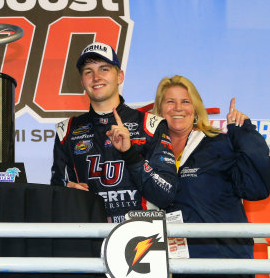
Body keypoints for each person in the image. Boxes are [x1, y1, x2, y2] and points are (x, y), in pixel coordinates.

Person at [152, 75, 270, 278]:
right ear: (160, 109)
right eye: (170, 101)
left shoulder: (219, 143)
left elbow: (258, 185)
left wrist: (244, 131)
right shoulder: (155, 151)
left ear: (196, 108)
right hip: (184, 270)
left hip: (229, 268)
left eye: (185, 101)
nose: (178, 108)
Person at [50, 42, 177, 223]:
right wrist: (65, 193)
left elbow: (166, 195)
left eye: (104, 69)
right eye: (88, 71)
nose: (96, 77)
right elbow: (55, 192)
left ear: (120, 76)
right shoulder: (67, 130)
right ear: (82, 82)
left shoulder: (151, 125)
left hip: (142, 237)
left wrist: (130, 154)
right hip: (89, 238)